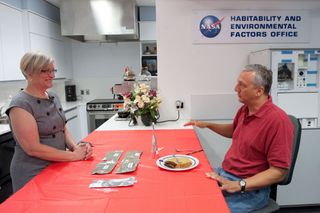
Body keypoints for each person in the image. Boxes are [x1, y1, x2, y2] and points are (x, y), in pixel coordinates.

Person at [184, 64, 293, 213]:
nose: (236, 89)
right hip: (225, 173)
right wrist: (207, 124)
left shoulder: (278, 121)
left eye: (242, 85)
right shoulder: (245, 109)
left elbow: (279, 172)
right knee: (185, 189)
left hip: (250, 190)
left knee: (206, 208)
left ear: (259, 91)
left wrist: (239, 184)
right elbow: (235, 131)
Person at [5, 52, 93, 192]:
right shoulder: (20, 104)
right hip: (33, 171)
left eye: (53, 70)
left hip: (57, 163)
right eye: (45, 71)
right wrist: (72, 156)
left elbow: (62, 129)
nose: (52, 75)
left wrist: (75, 148)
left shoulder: (52, 96)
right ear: (29, 73)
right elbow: (32, 148)